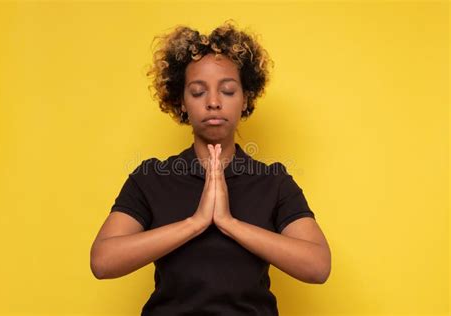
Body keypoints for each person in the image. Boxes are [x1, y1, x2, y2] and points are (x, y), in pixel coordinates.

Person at [90, 20, 331, 315]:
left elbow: (318, 267)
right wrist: (196, 222)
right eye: (198, 91)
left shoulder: (273, 181)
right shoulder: (150, 178)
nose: (214, 102)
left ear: (245, 99)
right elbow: (102, 262)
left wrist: (229, 223)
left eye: (228, 91)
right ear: (181, 102)